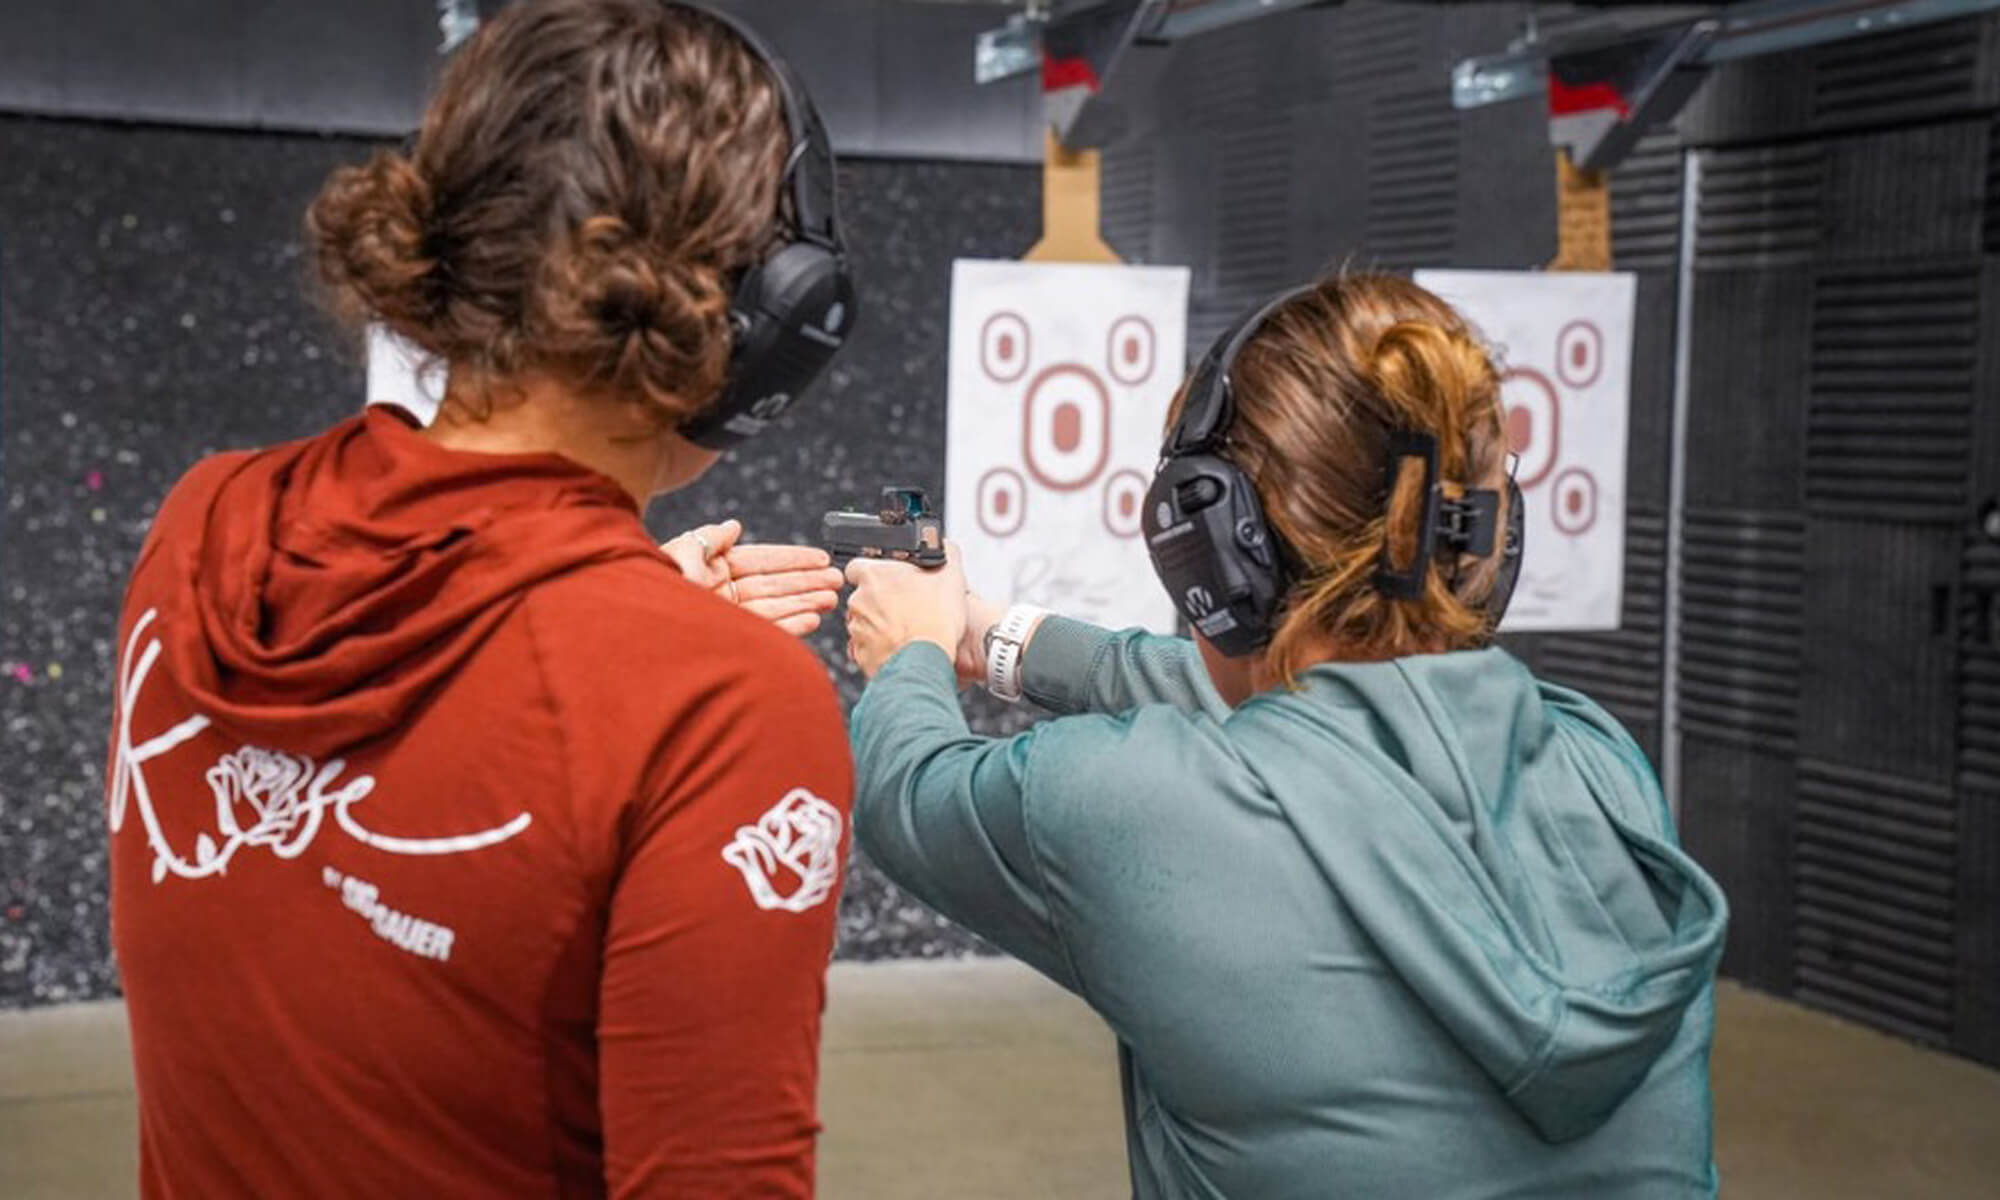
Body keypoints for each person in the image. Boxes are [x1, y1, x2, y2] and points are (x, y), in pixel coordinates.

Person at [105, 3, 858, 1195]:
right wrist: (634, 666)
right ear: (760, 316)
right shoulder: (723, 707)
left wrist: (604, 629)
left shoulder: (208, 527)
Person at [843, 273, 1729, 1198]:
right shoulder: (1599, 763)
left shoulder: (1123, 806)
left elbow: (911, 790)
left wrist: (910, 652)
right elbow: (1312, 720)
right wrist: (992, 638)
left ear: (1215, 555)